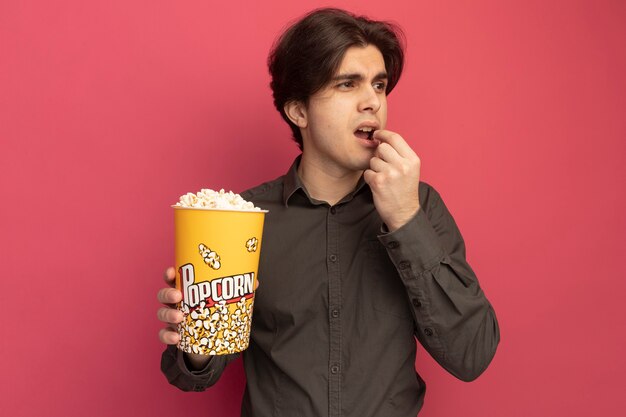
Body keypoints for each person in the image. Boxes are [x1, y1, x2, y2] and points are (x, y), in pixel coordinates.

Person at [157, 7, 499, 417]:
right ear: (298, 111)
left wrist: (406, 219)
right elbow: (194, 374)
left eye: (379, 85)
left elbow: (472, 354)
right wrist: (195, 343)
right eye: (347, 84)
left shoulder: (421, 206)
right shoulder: (242, 218)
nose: (372, 101)